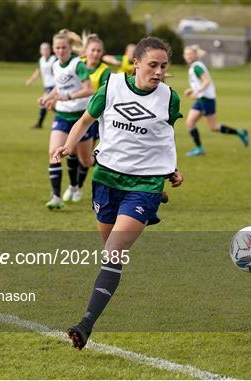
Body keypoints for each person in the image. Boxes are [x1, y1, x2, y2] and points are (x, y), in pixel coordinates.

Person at [51, 37, 183, 350]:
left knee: (113, 253)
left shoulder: (169, 98)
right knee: (108, 246)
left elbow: (165, 138)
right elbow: (85, 120)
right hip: (107, 179)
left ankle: (85, 325)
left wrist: (169, 170)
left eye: (164, 66)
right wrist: (69, 146)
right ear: (135, 63)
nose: (159, 72)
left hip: (145, 184)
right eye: (152, 65)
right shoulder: (111, 86)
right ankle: (149, 210)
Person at [40, 29, 94, 209]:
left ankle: (76, 186)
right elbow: (58, 87)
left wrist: (69, 97)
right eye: (57, 48)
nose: (61, 51)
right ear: (54, 49)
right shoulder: (55, 65)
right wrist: (48, 97)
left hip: (81, 118)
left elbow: (89, 89)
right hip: (62, 115)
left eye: (64, 47)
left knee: (85, 160)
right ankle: (56, 196)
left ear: (70, 48)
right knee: (53, 152)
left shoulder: (77, 64)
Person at [182, 44, 248, 157]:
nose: (188, 56)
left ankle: (240, 133)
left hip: (207, 99)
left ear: (195, 55)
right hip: (201, 99)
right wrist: (192, 90)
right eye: (186, 54)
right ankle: (199, 149)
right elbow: (199, 83)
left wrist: (196, 92)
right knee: (190, 122)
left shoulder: (197, 67)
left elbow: (206, 81)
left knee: (213, 127)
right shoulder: (194, 67)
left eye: (190, 54)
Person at [76, 33, 112, 200]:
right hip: (74, 114)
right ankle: (73, 186)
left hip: (94, 118)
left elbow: (106, 94)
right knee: (73, 153)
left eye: (99, 51)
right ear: (86, 51)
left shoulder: (105, 71)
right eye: (93, 50)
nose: (96, 54)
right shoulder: (78, 65)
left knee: (85, 157)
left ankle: (78, 187)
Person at [25, 42, 57, 129]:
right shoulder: (41, 60)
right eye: (43, 50)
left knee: (45, 103)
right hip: (47, 86)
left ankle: (39, 124)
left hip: (54, 86)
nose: (45, 51)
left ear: (50, 50)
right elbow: (38, 71)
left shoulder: (54, 59)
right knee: (51, 105)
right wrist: (31, 80)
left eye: (46, 49)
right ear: (40, 51)